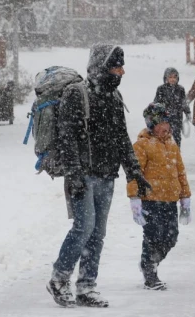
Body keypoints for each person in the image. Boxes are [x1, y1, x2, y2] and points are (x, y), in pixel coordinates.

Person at [47, 44, 152, 308]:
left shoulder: (114, 97)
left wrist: (134, 171)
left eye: (122, 66)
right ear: (102, 66)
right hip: (82, 175)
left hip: (107, 175)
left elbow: (121, 138)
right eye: (117, 67)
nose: (122, 72)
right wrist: (74, 174)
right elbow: (67, 137)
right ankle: (59, 278)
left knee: (98, 233)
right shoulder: (76, 94)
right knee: (84, 228)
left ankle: (86, 286)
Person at [129, 103, 191, 291]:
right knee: (152, 237)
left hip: (170, 200)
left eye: (167, 122)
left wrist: (185, 198)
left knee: (171, 237)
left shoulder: (172, 144)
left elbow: (180, 172)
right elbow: (134, 173)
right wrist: (134, 198)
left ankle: (148, 263)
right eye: (160, 123)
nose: (165, 126)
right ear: (151, 124)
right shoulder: (142, 145)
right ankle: (150, 273)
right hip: (150, 200)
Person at [154, 68, 190, 147]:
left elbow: (184, 102)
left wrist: (187, 112)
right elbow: (156, 103)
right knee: (164, 137)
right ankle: (165, 156)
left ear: (177, 78)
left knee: (176, 137)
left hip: (177, 117)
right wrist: (157, 114)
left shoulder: (180, 89)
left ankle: (176, 154)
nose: (172, 79)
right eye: (170, 77)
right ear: (166, 78)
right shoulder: (161, 89)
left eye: (174, 77)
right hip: (164, 118)